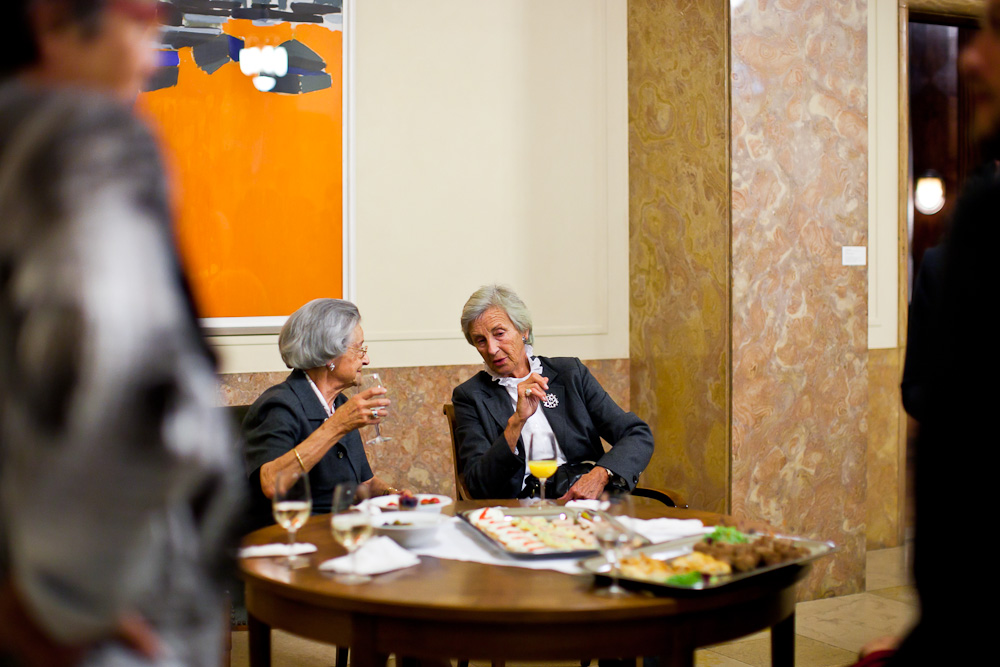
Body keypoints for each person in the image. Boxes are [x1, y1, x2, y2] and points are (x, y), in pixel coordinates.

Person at [0, 1, 241, 666]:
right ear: (52, 18)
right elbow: (133, 393)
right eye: (138, 19)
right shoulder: (86, 139)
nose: (155, 47)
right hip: (103, 624)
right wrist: (76, 607)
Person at [452, 285, 654, 500]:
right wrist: (517, 421)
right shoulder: (471, 396)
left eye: (499, 334)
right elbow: (478, 485)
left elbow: (636, 434)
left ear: (524, 330)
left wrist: (601, 475)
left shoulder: (570, 373)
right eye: (480, 340)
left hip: (587, 500)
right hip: (522, 507)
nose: (492, 349)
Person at [243, 298, 401, 531]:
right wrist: (338, 425)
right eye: (359, 349)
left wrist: (394, 496)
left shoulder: (341, 404)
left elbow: (364, 485)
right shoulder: (279, 405)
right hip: (294, 536)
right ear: (329, 356)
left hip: (341, 530)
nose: (366, 359)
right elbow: (272, 484)